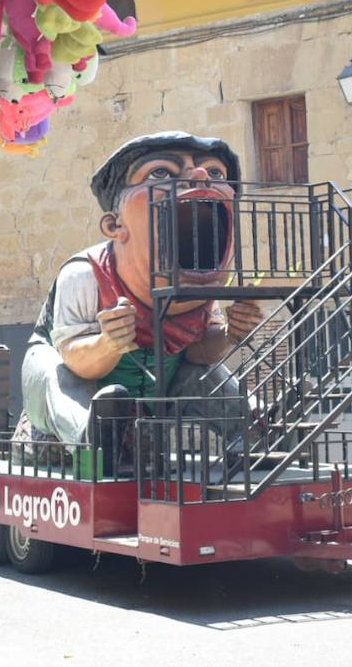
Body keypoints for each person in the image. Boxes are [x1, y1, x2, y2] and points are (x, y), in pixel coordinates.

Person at [15, 132, 265, 463]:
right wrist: (107, 344)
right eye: (161, 173)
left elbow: (199, 354)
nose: (201, 176)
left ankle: (249, 430)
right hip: (77, 378)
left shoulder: (201, 287)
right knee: (57, 375)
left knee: (208, 376)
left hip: (158, 382)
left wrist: (230, 334)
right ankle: (89, 436)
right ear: (114, 224)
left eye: (215, 173)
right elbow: (76, 360)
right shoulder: (85, 273)